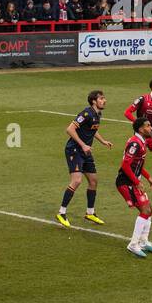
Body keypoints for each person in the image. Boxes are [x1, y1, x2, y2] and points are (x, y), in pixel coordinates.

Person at [57, 90, 114, 228]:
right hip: (75, 149)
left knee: (93, 181)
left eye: (104, 98)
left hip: (85, 151)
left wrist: (103, 141)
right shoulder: (86, 113)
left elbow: (93, 130)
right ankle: (61, 213)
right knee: (76, 180)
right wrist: (83, 145)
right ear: (94, 101)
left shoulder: (97, 114)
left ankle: (90, 213)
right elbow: (70, 129)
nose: (104, 100)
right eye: (101, 98)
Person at [118, 117, 152, 258]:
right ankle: (133, 244)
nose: (151, 128)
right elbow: (125, 165)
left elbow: (137, 165)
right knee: (145, 210)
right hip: (126, 182)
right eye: (148, 126)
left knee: (149, 210)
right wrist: (137, 182)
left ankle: (143, 241)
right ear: (141, 129)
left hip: (133, 181)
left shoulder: (142, 142)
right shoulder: (135, 144)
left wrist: (149, 178)